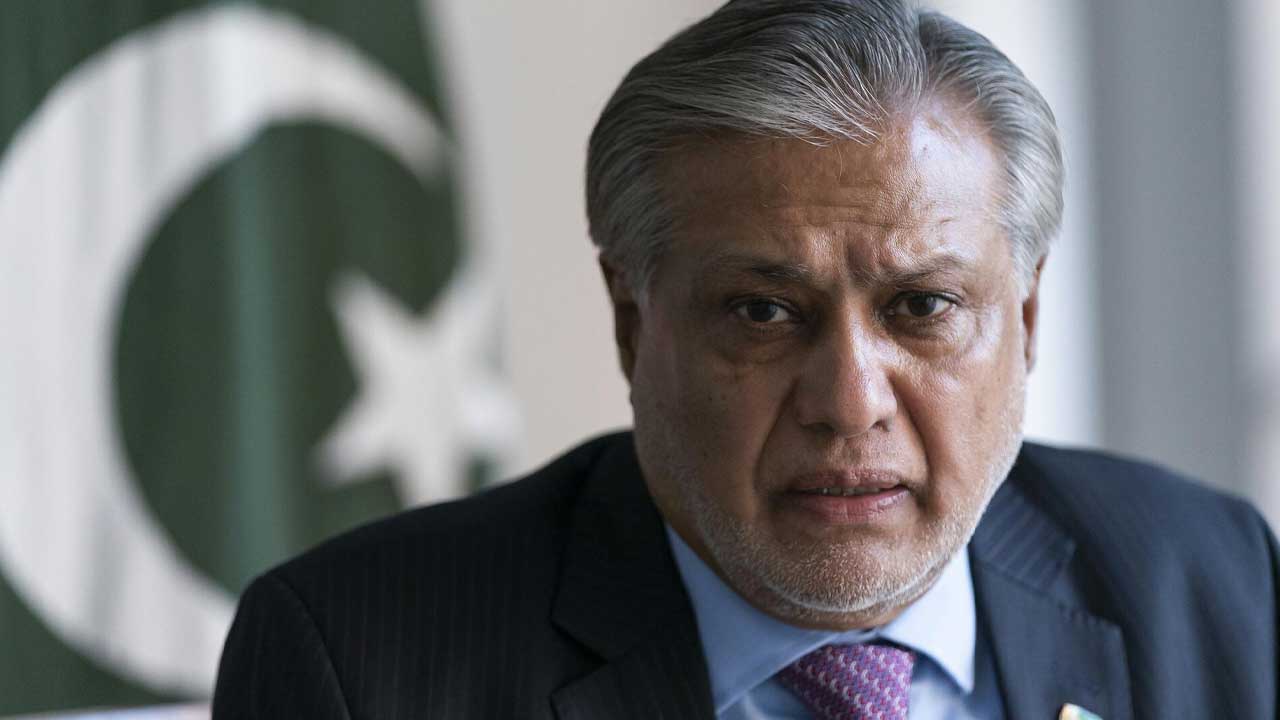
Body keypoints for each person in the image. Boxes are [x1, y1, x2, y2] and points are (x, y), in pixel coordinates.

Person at [212, 1, 1279, 718]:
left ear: (1028, 318)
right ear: (632, 322)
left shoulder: (1206, 579)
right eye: (764, 312)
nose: (849, 403)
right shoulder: (360, 662)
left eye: (922, 307)